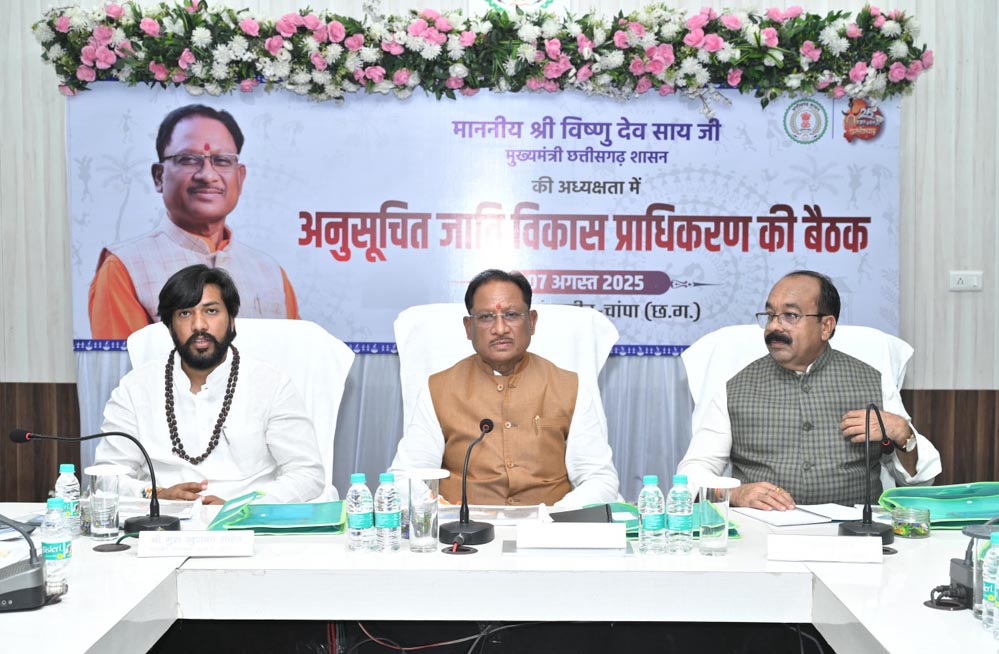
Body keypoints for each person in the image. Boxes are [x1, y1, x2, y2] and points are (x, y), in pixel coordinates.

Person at [677, 270, 941, 509]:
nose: (774, 326)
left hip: (855, 532)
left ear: (826, 326)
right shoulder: (734, 387)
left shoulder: (872, 380)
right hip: (762, 532)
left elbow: (920, 481)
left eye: (790, 316)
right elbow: (692, 473)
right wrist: (735, 494)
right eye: (770, 315)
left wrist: (903, 434)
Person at [94, 264, 324, 504]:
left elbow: (307, 474)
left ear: (232, 321)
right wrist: (158, 495)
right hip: (164, 519)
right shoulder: (135, 388)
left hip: (249, 520)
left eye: (211, 311)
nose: (199, 325)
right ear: (170, 327)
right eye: (185, 313)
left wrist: (242, 507)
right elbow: (108, 476)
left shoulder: (271, 385)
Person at [390, 269, 620, 508]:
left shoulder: (570, 386)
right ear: (468, 327)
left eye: (511, 315)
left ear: (531, 322)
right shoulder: (439, 389)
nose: (500, 329)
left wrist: (557, 516)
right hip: (464, 526)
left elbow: (599, 478)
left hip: (549, 524)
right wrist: (439, 509)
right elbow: (404, 477)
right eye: (486, 317)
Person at [88, 104, 300, 339]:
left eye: (222, 160)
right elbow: (128, 361)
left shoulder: (270, 273)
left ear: (240, 178)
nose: (207, 175)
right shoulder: (124, 268)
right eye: (188, 159)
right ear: (159, 176)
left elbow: (294, 355)